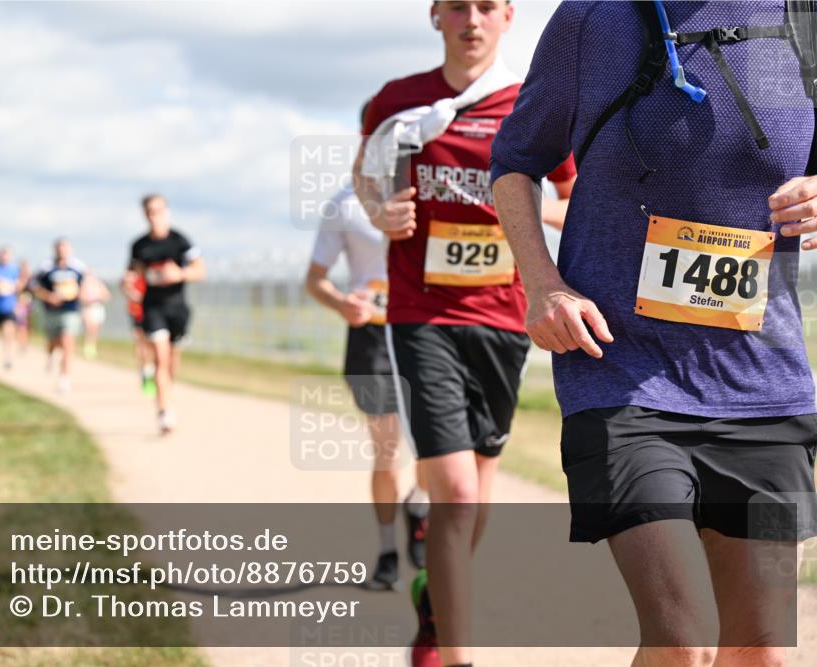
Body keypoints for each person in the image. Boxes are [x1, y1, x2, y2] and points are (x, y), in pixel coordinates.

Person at [491, 1, 817, 665]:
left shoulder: (802, 16)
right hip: (621, 373)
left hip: (764, 385)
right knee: (684, 640)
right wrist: (544, 283)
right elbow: (515, 160)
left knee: (762, 651)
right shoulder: (591, 18)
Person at [352, 1, 575, 664]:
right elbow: (364, 182)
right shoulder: (397, 102)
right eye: (456, 6)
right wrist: (380, 212)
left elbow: (570, 194)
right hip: (422, 313)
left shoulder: (531, 102)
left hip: (504, 316)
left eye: (486, 6)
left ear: (508, 17)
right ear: (435, 17)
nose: (470, 19)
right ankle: (458, 653)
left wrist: (524, 205)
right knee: (455, 490)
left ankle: (433, 604)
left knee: (478, 493)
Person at [306, 101, 432, 592]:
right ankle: (385, 551)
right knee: (387, 449)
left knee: (432, 449)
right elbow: (314, 280)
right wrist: (342, 304)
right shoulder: (343, 204)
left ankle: (418, 505)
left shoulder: (429, 192)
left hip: (426, 329)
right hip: (373, 334)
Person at [128, 194, 206, 434]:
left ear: (166, 211)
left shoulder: (180, 241)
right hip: (153, 307)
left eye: (159, 210)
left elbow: (200, 270)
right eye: (150, 211)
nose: (155, 215)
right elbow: (133, 273)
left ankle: (167, 392)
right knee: (160, 358)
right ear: (144, 214)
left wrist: (179, 274)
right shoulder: (139, 245)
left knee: (172, 360)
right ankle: (164, 410)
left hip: (178, 307)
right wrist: (128, 284)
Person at [32, 238, 86, 393]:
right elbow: (35, 286)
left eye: (65, 247)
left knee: (67, 341)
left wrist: (81, 295)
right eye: (60, 247)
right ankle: (51, 355)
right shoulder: (46, 267)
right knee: (53, 342)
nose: (62, 250)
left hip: (70, 311)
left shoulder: (78, 267)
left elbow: (86, 284)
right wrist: (48, 296)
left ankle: (64, 378)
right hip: (51, 311)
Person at [122, 268, 157, 395]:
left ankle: (150, 372)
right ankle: (145, 373)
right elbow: (125, 286)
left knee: (152, 346)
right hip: (137, 314)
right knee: (141, 345)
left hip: (153, 314)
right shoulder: (133, 273)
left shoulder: (154, 271)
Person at [80, 271, 112, 359]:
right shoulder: (84, 285)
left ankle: (92, 346)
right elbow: (81, 298)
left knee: (96, 329)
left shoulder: (99, 284)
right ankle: (87, 347)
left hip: (98, 308)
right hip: (88, 308)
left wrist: (99, 297)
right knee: (89, 328)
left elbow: (107, 296)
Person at [14, 259, 33, 355]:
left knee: (25, 326)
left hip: (28, 305)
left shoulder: (31, 279)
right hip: (19, 304)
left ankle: (24, 344)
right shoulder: (17, 278)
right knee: (20, 325)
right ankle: (20, 344)